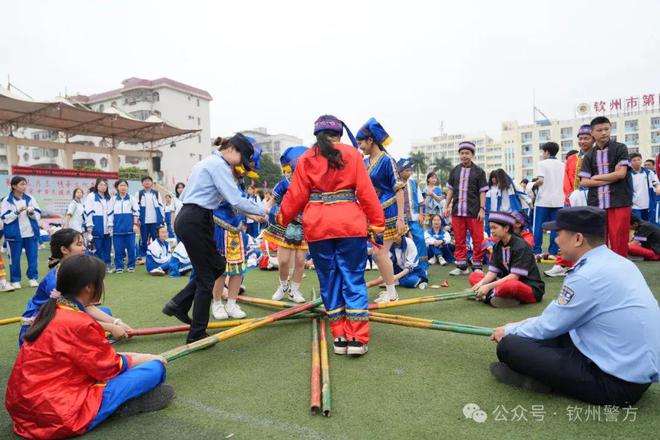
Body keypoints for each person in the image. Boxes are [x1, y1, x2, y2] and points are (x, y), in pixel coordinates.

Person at [490, 206, 659, 406]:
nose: (555, 240)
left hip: (615, 385)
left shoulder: (586, 276)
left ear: (578, 239)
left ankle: (544, 381)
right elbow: (559, 320)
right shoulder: (619, 263)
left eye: (559, 234)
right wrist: (521, 325)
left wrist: (508, 330)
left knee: (509, 346)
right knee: (548, 335)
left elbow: (548, 326)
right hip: (636, 372)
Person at [6, 254, 171, 438]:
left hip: (22, 408)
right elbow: (109, 367)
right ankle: (120, 405)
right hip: (56, 414)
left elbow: (91, 359)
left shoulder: (51, 310)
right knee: (154, 370)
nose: (104, 285)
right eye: (101, 280)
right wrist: (150, 358)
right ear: (88, 287)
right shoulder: (78, 321)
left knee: (129, 365)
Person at [279, 114, 384, 356]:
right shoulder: (352, 154)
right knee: (353, 278)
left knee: (328, 279)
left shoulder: (306, 158)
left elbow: (295, 196)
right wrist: (377, 225)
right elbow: (366, 193)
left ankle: (339, 336)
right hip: (350, 223)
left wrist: (282, 218)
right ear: (339, 133)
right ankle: (357, 338)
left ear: (317, 135)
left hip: (318, 225)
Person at [162, 134, 265, 343]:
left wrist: (252, 213)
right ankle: (197, 333)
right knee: (206, 277)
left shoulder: (208, 162)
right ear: (233, 150)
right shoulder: (219, 166)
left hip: (195, 218)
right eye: (242, 159)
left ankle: (178, 304)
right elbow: (235, 199)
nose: (241, 166)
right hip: (195, 219)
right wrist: (262, 211)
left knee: (217, 266)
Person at [18, 228, 133, 347]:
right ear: (64, 250)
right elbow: (70, 318)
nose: (84, 248)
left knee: (105, 312)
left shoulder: (74, 271)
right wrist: (110, 327)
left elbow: (86, 307)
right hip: (38, 331)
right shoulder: (55, 281)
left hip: (66, 317)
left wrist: (117, 322)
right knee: (85, 329)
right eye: (79, 244)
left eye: (83, 244)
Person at [357, 117, 407, 303]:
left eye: (361, 142)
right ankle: (390, 290)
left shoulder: (387, 160)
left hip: (390, 212)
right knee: (379, 254)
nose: (360, 146)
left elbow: (399, 188)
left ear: (371, 140)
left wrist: (401, 218)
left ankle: (392, 293)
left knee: (379, 253)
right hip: (374, 213)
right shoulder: (364, 162)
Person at [545, 125, 595, 277]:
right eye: (580, 138)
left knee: (591, 233)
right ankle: (562, 263)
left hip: (593, 199)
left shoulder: (597, 156)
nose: (583, 141)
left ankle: (590, 264)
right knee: (568, 232)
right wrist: (570, 196)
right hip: (573, 199)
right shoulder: (572, 159)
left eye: (586, 138)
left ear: (593, 139)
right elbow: (566, 180)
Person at [579, 116, 633, 257]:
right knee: (597, 241)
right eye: (600, 130)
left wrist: (596, 177)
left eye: (607, 129)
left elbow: (621, 173)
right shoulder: (589, 155)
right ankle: (602, 270)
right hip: (596, 203)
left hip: (619, 201)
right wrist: (611, 177)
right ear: (592, 133)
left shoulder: (620, 148)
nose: (604, 132)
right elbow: (584, 182)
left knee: (619, 241)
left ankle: (620, 270)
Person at [263, 146, 310, 303]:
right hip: (285, 224)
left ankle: (294, 290)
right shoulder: (285, 182)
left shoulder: (312, 183)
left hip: (304, 226)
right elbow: (272, 201)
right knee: (283, 260)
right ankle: (283, 286)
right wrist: (266, 211)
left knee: (300, 261)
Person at [469, 212, 545, 308]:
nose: (491, 231)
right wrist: (480, 284)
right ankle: (497, 295)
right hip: (503, 281)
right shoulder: (497, 245)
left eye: (495, 228)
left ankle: (487, 296)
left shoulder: (521, 246)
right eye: (491, 228)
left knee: (511, 285)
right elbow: (493, 272)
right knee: (474, 276)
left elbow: (514, 277)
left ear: (506, 228)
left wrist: (487, 286)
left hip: (527, 286)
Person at [444, 141, 489, 275]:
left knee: (478, 238)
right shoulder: (455, 170)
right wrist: (446, 206)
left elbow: (482, 192)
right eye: (462, 153)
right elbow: (451, 190)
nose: (464, 156)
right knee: (459, 239)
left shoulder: (479, 172)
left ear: (472, 155)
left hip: (474, 211)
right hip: (457, 210)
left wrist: (482, 209)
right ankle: (461, 266)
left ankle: (477, 265)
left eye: (467, 153)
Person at [1, 176, 41, 289]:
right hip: (14, 235)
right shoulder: (7, 201)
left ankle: (32, 278)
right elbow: (4, 218)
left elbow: (37, 215)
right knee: (14, 258)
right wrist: (17, 212)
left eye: (25, 184)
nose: (24, 186)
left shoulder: (30, 199)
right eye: (21, 184)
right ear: (14, 186)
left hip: (30, 233)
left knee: (33, 257)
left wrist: (31, 212)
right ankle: (15, 280)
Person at [531, 142, 565, 259]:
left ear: (546, 152)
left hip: (543, 200)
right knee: (556, 226)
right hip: (559, 199)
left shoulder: (542, 164)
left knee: (538, 226)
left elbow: (540, 181)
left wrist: (531, 184)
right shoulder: (562, 164)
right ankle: (553, 253)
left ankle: (536, 251)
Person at [397, 157, 428, 270]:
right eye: (407, 170)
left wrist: (421, 214)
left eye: (410, 170)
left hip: (414, 217)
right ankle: (404, 267)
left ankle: (422, 267)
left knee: (420, 239)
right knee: (402, 242)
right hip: (400, 219)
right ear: (400, 171)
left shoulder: (414, 183)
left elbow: (421, 202)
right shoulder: (395, 183)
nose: (409, 173)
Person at [109, 179, 139, 273]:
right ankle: (119, 266)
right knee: (118, 250)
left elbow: (136, 212)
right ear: (117, 187)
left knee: (131, 249)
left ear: (127, 187)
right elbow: (110, 214)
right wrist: (110, 226)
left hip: (130, 229)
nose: (123, 187)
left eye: (125, 185)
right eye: (121, 185)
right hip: (117, 230)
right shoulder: (113, 199)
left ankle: (131, 265)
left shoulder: (131, 198)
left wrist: (135, 224)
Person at [84, 177, 113, 270]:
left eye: (105, 185)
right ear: (97, 185)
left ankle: (107, 264)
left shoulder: (108, 197)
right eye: (101, 184)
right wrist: (89, 225)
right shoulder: (92, 196)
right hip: (96, 223)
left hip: (107, 225)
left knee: (107, 246)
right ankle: (98, 266)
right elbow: (88, 211)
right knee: (97, 246)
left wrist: (110, 224)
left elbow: (111, 212)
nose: (103, 186)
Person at [136, 176, 165, 264]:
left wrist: (162, 219)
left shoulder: (156, 193)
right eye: (145, 181)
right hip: (144, 222)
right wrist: (138, 219)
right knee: (143, 239)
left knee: (156, 239)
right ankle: (143, 256)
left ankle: (158, 255)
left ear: (152, 183)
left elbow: (161, 206)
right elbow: (136, 207)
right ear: (142, 183)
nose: (147, 182)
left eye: (149, 181)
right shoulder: (139, 193)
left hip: (155, 221)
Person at [630, 152, 659, 222]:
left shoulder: (648, 172)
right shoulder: (628, 174)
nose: (637, 162)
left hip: (648, 204)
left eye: (639, 159)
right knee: (638, 224)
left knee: (648, 224)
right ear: (630, 162)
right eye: (634, 160)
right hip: (634, 205)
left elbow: (656, 183)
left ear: (641, 160)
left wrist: (658, 188)